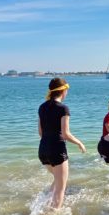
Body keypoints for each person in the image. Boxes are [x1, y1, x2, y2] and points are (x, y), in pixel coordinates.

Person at [37, 77, 86, 208]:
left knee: (57, 180)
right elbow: (65, 134)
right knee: (60, 189)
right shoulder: (63, 108)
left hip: (43, 150)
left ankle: (43, 203)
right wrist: (79, 143)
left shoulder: (42, 107)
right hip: (57, 150)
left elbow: (40, 132)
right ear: (63, 90)